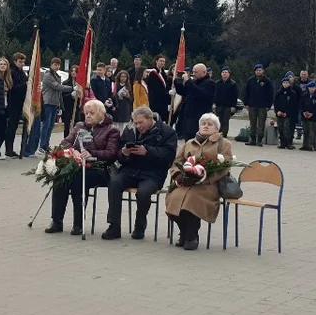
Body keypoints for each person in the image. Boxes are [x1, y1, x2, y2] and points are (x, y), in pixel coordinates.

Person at [44, 100, 120, 236]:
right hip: (77, 164)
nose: (88, 116)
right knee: (60, 177)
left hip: (99, 169)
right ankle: (56, 221)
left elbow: (111, 153)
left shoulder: (111, 130)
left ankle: (78, 224)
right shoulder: (79, 126)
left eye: (92, 113)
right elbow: (65, 142)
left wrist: (92, 153)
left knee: (78, 180)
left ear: (102, 114)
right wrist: (73, 151)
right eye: (86, 113)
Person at [102, 106, 178, 241]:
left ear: (150, 119)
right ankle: (114, 226)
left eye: (140, 123)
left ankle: (139, 226)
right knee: (114, 183)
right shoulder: (130, 130)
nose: (138, 126)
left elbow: (169, 156)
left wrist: (148, 152)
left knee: (143, 192)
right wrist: (124, 153)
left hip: (153, 174)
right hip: (130, 170)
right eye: (135, 123)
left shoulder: (168, 132)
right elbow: (118, 151)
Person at [166, 112, 233, 251]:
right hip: (186, 183)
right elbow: (177, 162)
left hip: (209, 186)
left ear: (217, 128)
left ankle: (191, 236)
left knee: (191, 199)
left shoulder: (223, 143)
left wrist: (204, 178)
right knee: (173, 197)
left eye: (210, 124)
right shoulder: (190, 143)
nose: (206, 126)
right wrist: (179, 175)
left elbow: (225, 167)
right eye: (203, 124)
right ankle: (184, 231)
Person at [173, 63, 217, 140]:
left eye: (196, 72)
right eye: (193, 72)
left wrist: (188, 82)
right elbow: (184, 92)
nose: (193, 74)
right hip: (188, 117)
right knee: (188, 142)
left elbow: (200, 93)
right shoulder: (194, 82)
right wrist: (178, 83)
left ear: (204, 72)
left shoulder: (210, 83)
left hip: (199, 116)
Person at [41, 58, 75, 155]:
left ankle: (46, 145)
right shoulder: (48, 75)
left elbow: (59, 92)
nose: (57, 66)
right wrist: (72, 88)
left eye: (58, 65)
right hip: (48, 102)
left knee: (51, 126)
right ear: (51, 65)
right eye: (55, 64)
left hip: (55, 103)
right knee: (46, 125)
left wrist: (61, 104)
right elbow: (57, 86)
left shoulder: (57, 76)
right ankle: (42, 145)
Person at [242, 64, 273, 147]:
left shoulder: (267, 81)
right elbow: (246, 92)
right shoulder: (251, 80)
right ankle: (252, 139)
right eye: (257, 70)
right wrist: (246, 103)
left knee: (261, 123)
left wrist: (268, 105)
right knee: (252, 123)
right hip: (252, 105)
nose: (258, 71)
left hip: (262, 106)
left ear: (263, 71)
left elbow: (270, 94)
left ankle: (259, 140)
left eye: (260, 70)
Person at [4, 52, 27, 158]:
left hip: (20, 103)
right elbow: (12, 88)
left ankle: (11, 148)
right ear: (15, 61)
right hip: (13, 103)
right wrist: (25, 85)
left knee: (14, 127)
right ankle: (8, 149)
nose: (22, 64)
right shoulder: (12, 72)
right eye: (20, 62)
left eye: (23, 62)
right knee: (11, 127)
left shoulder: (22, 73)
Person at [272, 77, 300, 150]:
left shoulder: (292, 93)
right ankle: (282, 143)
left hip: (289, 115)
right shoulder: (279, 93)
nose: (285, 84)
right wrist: (277, 111)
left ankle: (289, 143)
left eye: (287, 83)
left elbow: (293, 105)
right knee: (280, 128)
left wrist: (287, 113)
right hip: (280, 114)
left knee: (287, 128)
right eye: (284, 83)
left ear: (289, 84)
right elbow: (275, 103)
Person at [143, 55, 171, 123]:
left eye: (163, 61)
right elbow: (155, 88)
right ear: (156, 61)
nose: (162, 63)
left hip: (163, 101)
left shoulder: (163, 73)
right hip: (156, 100)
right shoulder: (153, 73)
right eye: (160, 61)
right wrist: (166, 93)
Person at [299, 81, 316, 151]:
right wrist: (304, 112)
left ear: (315, 88)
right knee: (306, 131)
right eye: (310, 87)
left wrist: (313, 114)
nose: (311, 89)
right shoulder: (304, 96)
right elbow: (301, 105)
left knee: (313, 132)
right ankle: (305, 145)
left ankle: (313, 146)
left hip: (314, 117)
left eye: (312, 87)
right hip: (305, 116)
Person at [214, 67, 239, 137]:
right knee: (218, 120)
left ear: (229, 74)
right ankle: (217, 133)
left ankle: (224, 134)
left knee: (225, 121)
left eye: (226, 72)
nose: (224, 74)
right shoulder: (217, 83)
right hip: (218, 105)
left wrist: (233, 106)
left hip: (228, 106)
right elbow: (214, 93)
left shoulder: (233, 84)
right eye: (223, 72)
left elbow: (235, 96)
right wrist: (214, 103)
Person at [61, 64, 80, 139]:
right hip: (68, 107)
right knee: (67, 125)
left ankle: (75, 141)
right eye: (72, 71)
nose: (73, 73)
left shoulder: (80, 84)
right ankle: (66, 141)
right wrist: (71, 95)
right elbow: (63, 96)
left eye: (75, 71)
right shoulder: (66, 83)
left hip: (77, 108)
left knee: (77, 125)